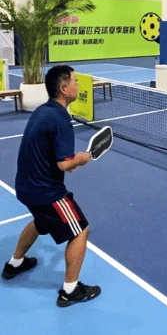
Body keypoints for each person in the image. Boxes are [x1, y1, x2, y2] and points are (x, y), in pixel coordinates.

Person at [2, 65, 101, 308]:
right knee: (80, 230)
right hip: (45, 191)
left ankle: (14, 264)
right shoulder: (61, 119)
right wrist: (79, 159)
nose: (78, 85)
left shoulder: (43, 111)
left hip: (25, 186)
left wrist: (67, 162)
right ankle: (70, 291)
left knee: (41, 221)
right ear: (64, 88)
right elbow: (64, 163)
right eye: (75, 81)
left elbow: (53, 156)